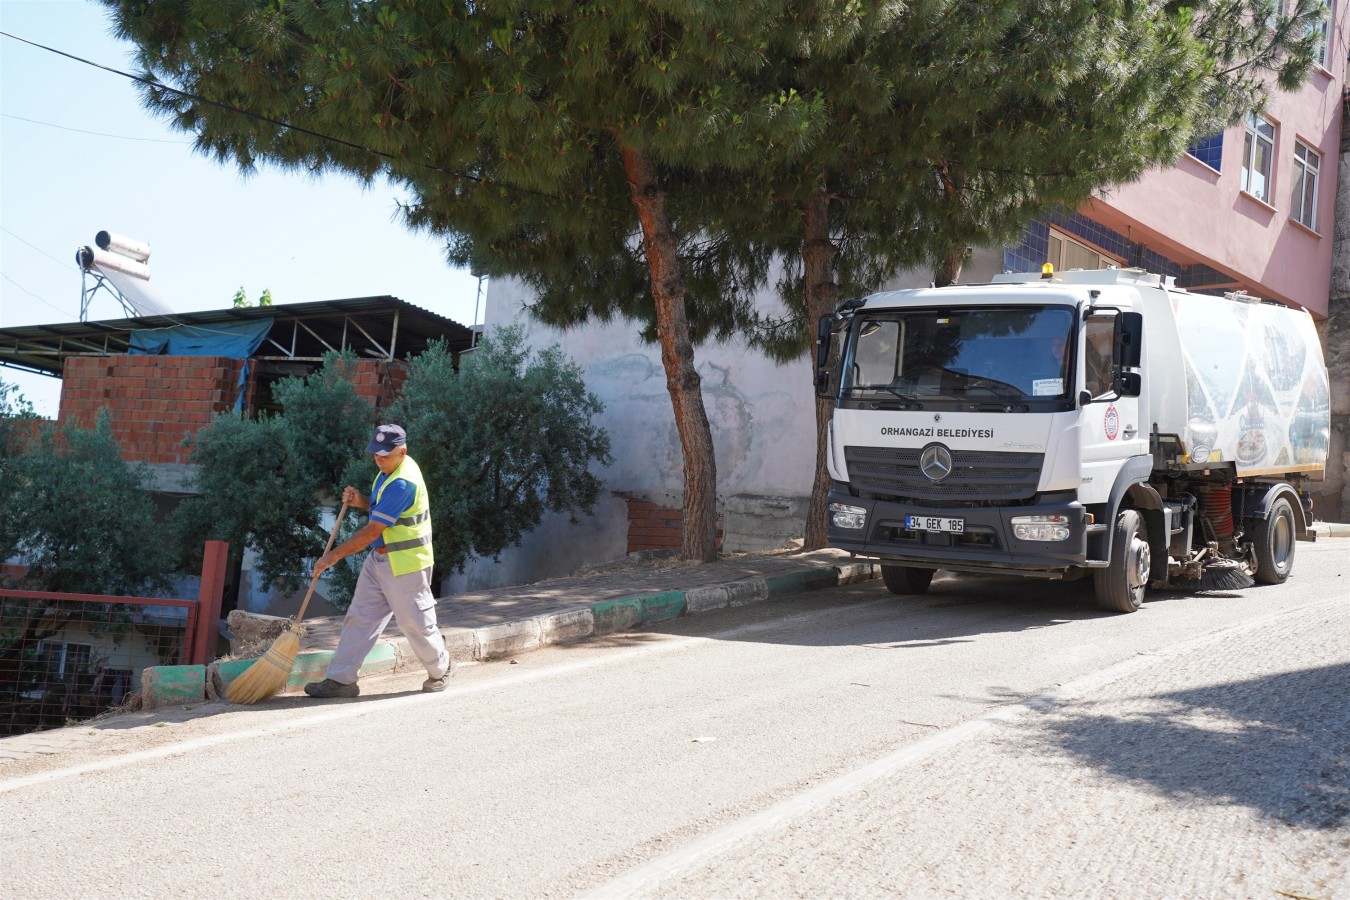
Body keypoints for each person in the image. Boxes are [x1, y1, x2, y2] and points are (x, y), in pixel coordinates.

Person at [304, 424, 454, 698]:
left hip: (406, 563)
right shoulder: (389, 471)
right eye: (375, 453)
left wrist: (332, 556)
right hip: (380, 559)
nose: (378, 459)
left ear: (402, 452)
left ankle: (441, 669)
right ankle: (341, 680)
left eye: (384, 454)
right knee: (360, 617)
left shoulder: (402, 482)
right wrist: (361, 500)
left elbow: (373, 530)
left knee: (414, 623)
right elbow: (384, 510)